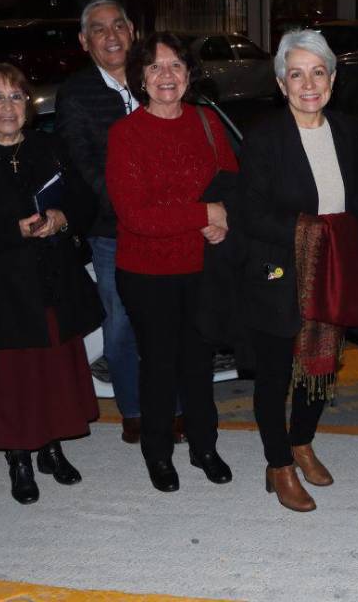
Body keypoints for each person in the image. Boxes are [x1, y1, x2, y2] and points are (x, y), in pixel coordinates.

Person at [0, 64, 104, 505]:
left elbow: (85, 200)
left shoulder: (49, 146)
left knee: (53, 373)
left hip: (52, 283)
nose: (7, 107)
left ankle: (51, 447)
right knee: (11, 380)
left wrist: (61, 217)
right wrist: (15, 231)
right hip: (1, 292)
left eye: (15, 97)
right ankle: (19, 458)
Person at [239, 30, 358, 512]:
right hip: (278, 273)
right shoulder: (264, 136)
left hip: (333, 274)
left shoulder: (351, 131)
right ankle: (279, 464)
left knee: (321, 369)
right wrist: (316, 232)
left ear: (332, 79)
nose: (308, 83)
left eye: (318, 72)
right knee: (273, 377)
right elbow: (251, 214)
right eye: (297, 74)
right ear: (281, 82)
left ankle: (302, 440)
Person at [107, 31, 239, 493]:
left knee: (200, 364)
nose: (167, 76)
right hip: (148, 272)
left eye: (176, 66)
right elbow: (136, 215)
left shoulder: (207, 122)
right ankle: (158, 452)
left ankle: (205, 446)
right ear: (140, 78)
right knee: (160, 365)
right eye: (155, 67)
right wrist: (204, 214)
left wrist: (224, 220)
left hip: (203, 267)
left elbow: (230, 183)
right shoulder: (126, 134)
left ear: (189, 74)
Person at [56, 0, 158, 444]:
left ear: (132, 30)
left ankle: (171, 405)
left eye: (119, 24)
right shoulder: (76, 94)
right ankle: (134, 410)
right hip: (113, 229)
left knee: (169, 318)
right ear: (84, 41)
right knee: (121, 322)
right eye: (99, 29)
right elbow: (83, 167)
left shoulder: (157, 76)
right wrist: (135, 210)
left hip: (173, 226)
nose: (112, 35)